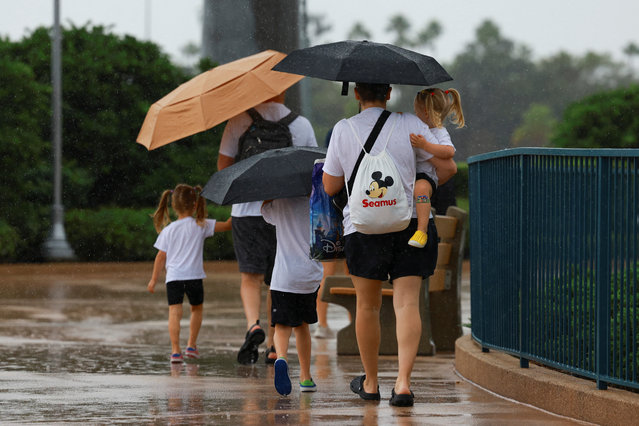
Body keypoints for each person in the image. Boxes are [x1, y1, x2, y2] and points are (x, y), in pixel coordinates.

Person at [322, 82, 457, 407]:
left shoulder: (343, 129)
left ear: (356, 93)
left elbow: (329, 186)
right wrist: (423, 181)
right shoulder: (410, 123)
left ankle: (370, 382)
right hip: (408, 224)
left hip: (362, 229)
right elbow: (446, 165)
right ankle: (403, 383)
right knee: (407, 304)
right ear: (389, 92)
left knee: (367, 307)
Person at [217, 91, 317, 365]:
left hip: (246, 210)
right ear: (284, 90)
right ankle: (274, 344)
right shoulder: (302, 124)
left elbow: (223, 165)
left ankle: (253, 325)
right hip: (282, 212)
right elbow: (314, 168)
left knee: (250, 276)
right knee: (278, 277)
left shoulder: (239, 120)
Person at [147, 184, 232, 363]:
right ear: (195, 204)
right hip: (194, 276)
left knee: (174, 312)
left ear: (173, 206)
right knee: (196, 309)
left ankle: (175, 351)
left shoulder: (168, 230)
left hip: (174, 278)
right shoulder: (201, 224)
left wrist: (154, 280)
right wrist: (238, 206)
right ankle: (191, 345)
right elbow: (227, 226)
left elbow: (160, 257)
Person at [261, 197, 323, 395]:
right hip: (309, 275)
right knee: (302, 326)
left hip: (284, 277)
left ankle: (281, 358)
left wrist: (268, 197)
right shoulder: (315, 201)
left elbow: (265, 213)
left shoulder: (280, 203)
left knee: (281, 327)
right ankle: (305, 377)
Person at [408, 88, 465, 248]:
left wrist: (425, 146)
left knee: (421, 191)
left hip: (426, 175)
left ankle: (422, 230)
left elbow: (449, 152)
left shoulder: (439, 131)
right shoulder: (425, 130)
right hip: (416, 173)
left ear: (426, 113)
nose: (415, 116)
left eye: (416, 112)